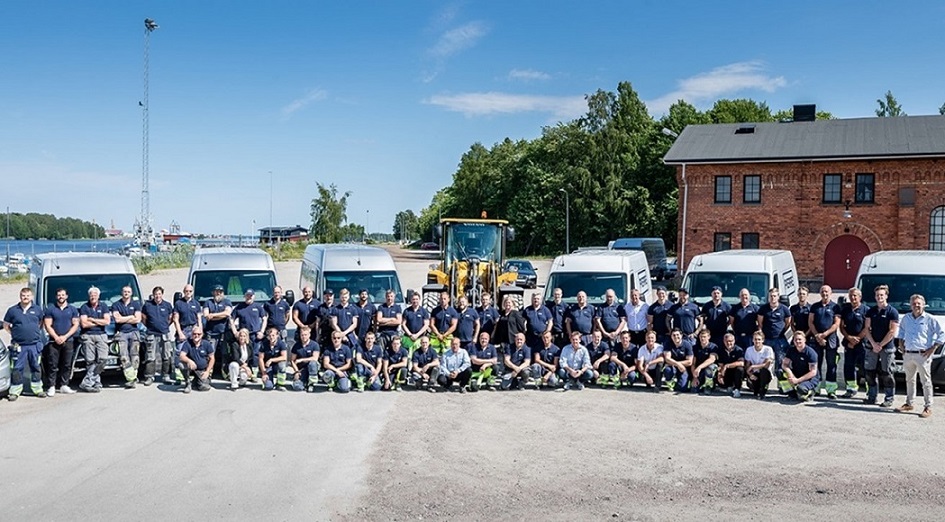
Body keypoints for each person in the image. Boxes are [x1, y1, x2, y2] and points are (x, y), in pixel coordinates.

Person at [895, 294, 944, 418]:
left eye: (918, 303)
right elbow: (901, 332)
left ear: (923, 305)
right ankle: (909, 403)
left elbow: (941, 335)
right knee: (909, 380)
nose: (916, 305)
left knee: (925, 381)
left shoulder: (930, 319)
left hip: (923, 355)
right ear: (910, 305)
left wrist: (932, 348)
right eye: (914, 303)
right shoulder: (906, 318)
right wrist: (901, 345)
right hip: (908, 354)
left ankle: (928, 407)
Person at [3, 288, 46, 400]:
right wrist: (15, 334)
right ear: (20, 296)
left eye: (28, 295)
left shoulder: (37, 310)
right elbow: (6, 325)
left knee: (36, 367)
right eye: (23, 295)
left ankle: (37, 389)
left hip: (34, 345)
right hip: (18, 346)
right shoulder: (12, 310)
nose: (25, 297)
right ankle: (15, 391)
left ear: (31, 296)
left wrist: (33, 332)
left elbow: (41, 323)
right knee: (17, 368)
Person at [864, 285, 899, 407]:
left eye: (882, 295)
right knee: (869, 372)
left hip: (887, 347)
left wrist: (880, 345)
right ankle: (872, 396)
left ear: (886, 296)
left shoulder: (892, 312)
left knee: (887, 373)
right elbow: (867, 329)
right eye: (877, 295)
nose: (879, 297)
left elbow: (892, 331)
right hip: (872, 346)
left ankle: (889, 398)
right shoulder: (871, 311)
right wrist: (873, 344)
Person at [42, 288, 79, 396]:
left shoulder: (72, 309)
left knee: (67, 364)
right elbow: (47, 325)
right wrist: (56, 337)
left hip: (69, 340)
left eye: (63, 295)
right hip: (54, 341)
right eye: (59, 295)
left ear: (66, 296)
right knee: (52, 365)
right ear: (56, 296)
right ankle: (51, 386)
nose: (61, 297)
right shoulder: (51, 309)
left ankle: (64, 385)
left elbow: (75, 324)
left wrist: (65, 336)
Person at [808, 285, 841, 398]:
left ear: (831, 293)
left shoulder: (835, 307)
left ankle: (831, 390)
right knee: (816, 364)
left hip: (831, 340)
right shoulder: (814, 307)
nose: (824, 293)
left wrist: (824, 335)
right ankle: (816, 388)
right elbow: (811, 322)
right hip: (816, 339)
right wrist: (818, 336)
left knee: (831, 365)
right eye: (822, 291)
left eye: (826, 291)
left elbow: (836, 324)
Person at [78, 287, 111, 393]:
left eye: (95, 295)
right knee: (90, 361)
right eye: (91, 295)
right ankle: (96, 383)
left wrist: (92, 319)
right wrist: (99, 322)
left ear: (98, 296)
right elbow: (83, 324)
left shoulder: (104, 306)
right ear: (89, 296)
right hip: (87, 335)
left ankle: (87, 382)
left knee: (103, 359)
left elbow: (107, 322)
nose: (93, 296)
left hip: (101, 335)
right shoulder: (84, 307)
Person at [230, 288, 268, 377]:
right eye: (247, 295)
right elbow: (231, 319)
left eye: (250, 296)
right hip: (243, 336)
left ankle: (254, 374)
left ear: (254, 296)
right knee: (243, 354)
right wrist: (235, 332)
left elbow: (264, 319)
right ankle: (242, 372)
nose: (249, 297)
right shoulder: (239, 307)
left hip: (255, 335)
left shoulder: (258, 307)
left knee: (255, 354)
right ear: (244, 296)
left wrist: (262, 332)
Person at [140, 286, 174, 387]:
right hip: (151, 334)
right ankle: (150, 376)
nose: (157, 296)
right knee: (150, 356)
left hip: (164, 333)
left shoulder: (167, 305)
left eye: (159, 294)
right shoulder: (147, 305)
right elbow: (143, 318)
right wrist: (150, 326)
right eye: (156, 294)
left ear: (162, 294)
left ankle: (166, 375)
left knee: (166, 355)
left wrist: (164, 326)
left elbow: (171, 318)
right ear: (153, 295)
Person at [838, 287, 868, 398]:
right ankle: (851, 389)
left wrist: (857, 339)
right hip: (849, 343)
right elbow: (841, 326)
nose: (853, 297)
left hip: (862, 344)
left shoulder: (866, 310)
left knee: (865, 368)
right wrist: (849, 338)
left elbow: (867, 327)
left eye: (855, 295)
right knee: (848, 366)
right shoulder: (845, 310)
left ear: (860, 297)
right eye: (851, 295)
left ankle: (870, 391)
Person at [111, 285, 142, 388]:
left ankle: (133, 377)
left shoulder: (136, 304)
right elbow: (117, 320)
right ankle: (130, 378)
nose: (126, 293)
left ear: (131, 293)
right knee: (123, 356)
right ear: (122, 292)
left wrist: (123, 318)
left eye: (128, 292)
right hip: (122, 333)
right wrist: (130, 317)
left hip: (134, 333)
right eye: (124, 291)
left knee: (135, 355)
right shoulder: (116, 305)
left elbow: (137, 319)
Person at [756, 287, 791, 371]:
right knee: (766, 360)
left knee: (781, 361)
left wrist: (781, 331)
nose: (772, 298)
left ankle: (780, 380)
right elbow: (760, 323)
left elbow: (788, 322)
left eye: (774, 296)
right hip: (767, 339)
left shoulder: (784, 309)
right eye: (771, 296)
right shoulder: (763, 309)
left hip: (779, 339)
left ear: (778, 297)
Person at [779, 331, 820, 402]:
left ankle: (810, 392)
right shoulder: (791, 350)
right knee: (779, 372)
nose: (797, 341)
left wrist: (798, 380)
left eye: (800, 339)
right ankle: (792, 393)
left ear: (804, 340)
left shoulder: (811, 353)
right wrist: (790, 374)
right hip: (796, 374)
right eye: (795, 339)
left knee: (801, 389)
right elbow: (784, 364)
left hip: (809, 378)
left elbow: (813, 372)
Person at [203, 284, 233, 377]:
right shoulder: (208, 302)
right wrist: (220, 316)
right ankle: (209, 373)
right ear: (213, 292)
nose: (218, 293)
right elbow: (206, 315)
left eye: (220, 292)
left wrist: (213, 316)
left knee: (225, 354)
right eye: (216, 291)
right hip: (211, 333)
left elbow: (227, 313)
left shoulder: (227, 302)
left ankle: (225, 373)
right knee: (210, 354)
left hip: (224, 332)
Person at [177, 326, 214, 393]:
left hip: (202, 370)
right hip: (191, 368)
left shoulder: (206, 344)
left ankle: (196, 381)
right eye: (194, 334)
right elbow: (181, 356)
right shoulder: (187, 343)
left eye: (199, 334)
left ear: (202, 335)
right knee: (181, 365)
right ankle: (188, 383)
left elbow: (212, 358)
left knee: (204, 387)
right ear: (192, 334)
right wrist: (189, 361)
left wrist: (208, 371)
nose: (196, 335)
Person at [744, 331, 775, 399]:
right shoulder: (749, 350)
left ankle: (763, 390)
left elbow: (766, 365)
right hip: (755, 373)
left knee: (763, 371)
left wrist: (753, 366)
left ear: (763, 340)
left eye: (759, 339)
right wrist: (750, 374)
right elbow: (747, 365)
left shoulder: (768, 349)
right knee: (755, 390)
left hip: (765, 374)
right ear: (752, 340)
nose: (757, 341)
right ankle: (755, 387)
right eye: (755, 339)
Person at [290, 326, 320, 392]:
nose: (304, 337)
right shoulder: (296, 346)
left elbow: (315, 358)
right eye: (302, 335)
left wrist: (301, 360)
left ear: (309, 335)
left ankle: (311, 384)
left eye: (306, 335)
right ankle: (303, 382)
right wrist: (296, 372)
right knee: (297, 387)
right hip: (301, 369)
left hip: (312, 368)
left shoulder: (315, 345)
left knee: (312, 363)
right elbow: (292, 360)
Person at [257, 326, 288, 391]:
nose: (271, 337)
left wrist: (271, 360)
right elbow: (260, 359)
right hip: (268, 367)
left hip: (277, 365)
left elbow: (284, 357)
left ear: (277, 335)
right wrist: (263, 373)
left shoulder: (281, 344)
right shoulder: (264, 344)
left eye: (273, 335)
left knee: (282, 365)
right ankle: (268, 382)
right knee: (268, 387)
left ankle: (280, 384)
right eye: (270, 336)